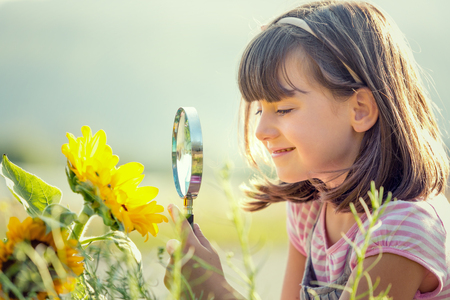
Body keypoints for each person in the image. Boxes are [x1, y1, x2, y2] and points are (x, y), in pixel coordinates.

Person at [164, 1, 450, 299]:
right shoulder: (311, 207)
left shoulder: (404, 229)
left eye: (284, 109)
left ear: (360, 110)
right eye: (260, 110)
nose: (261, 132)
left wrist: (214, 291)